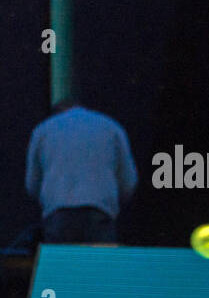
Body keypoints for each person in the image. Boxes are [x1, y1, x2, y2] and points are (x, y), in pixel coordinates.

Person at [25, 99, 137, 244]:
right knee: (100, 265)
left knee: (64, 264)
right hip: (100, 211)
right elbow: (128, 182)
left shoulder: (43, 130)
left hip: (58, 213)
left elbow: (32, 184)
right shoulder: (111, 127)